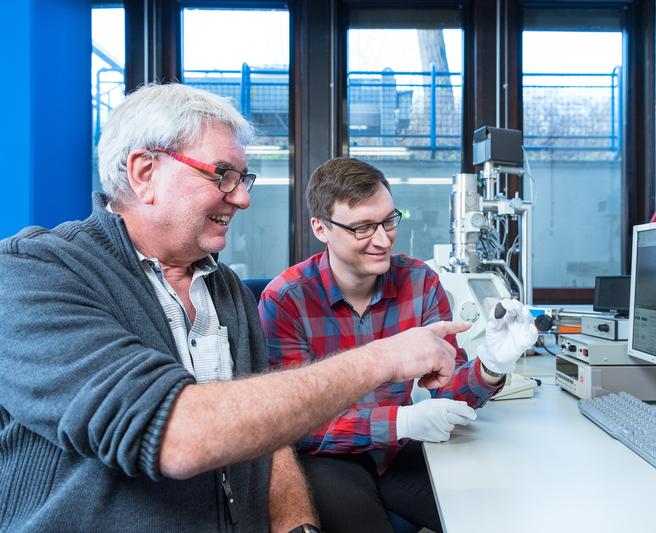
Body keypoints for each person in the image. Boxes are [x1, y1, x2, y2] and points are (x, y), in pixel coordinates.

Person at [0, 84, 466, 532]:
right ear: (144, 173)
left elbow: (272, 441)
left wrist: (298, 526)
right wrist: (384, 357)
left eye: (244, 179)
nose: (242, 197)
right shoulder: (34, 274)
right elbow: (176, 433)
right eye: (222, 174)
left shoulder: (227, 291)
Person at [260, 157, 538, 533]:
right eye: (362, 228)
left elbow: (447, 393)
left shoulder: (420, 283)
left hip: (398, 451)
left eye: (389, 220)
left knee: (495, 515)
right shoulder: (285, 300)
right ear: (321, 228)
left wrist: (490, 365)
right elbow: (293, 423)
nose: (382, 239)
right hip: (327, 457)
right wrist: (401, 420)